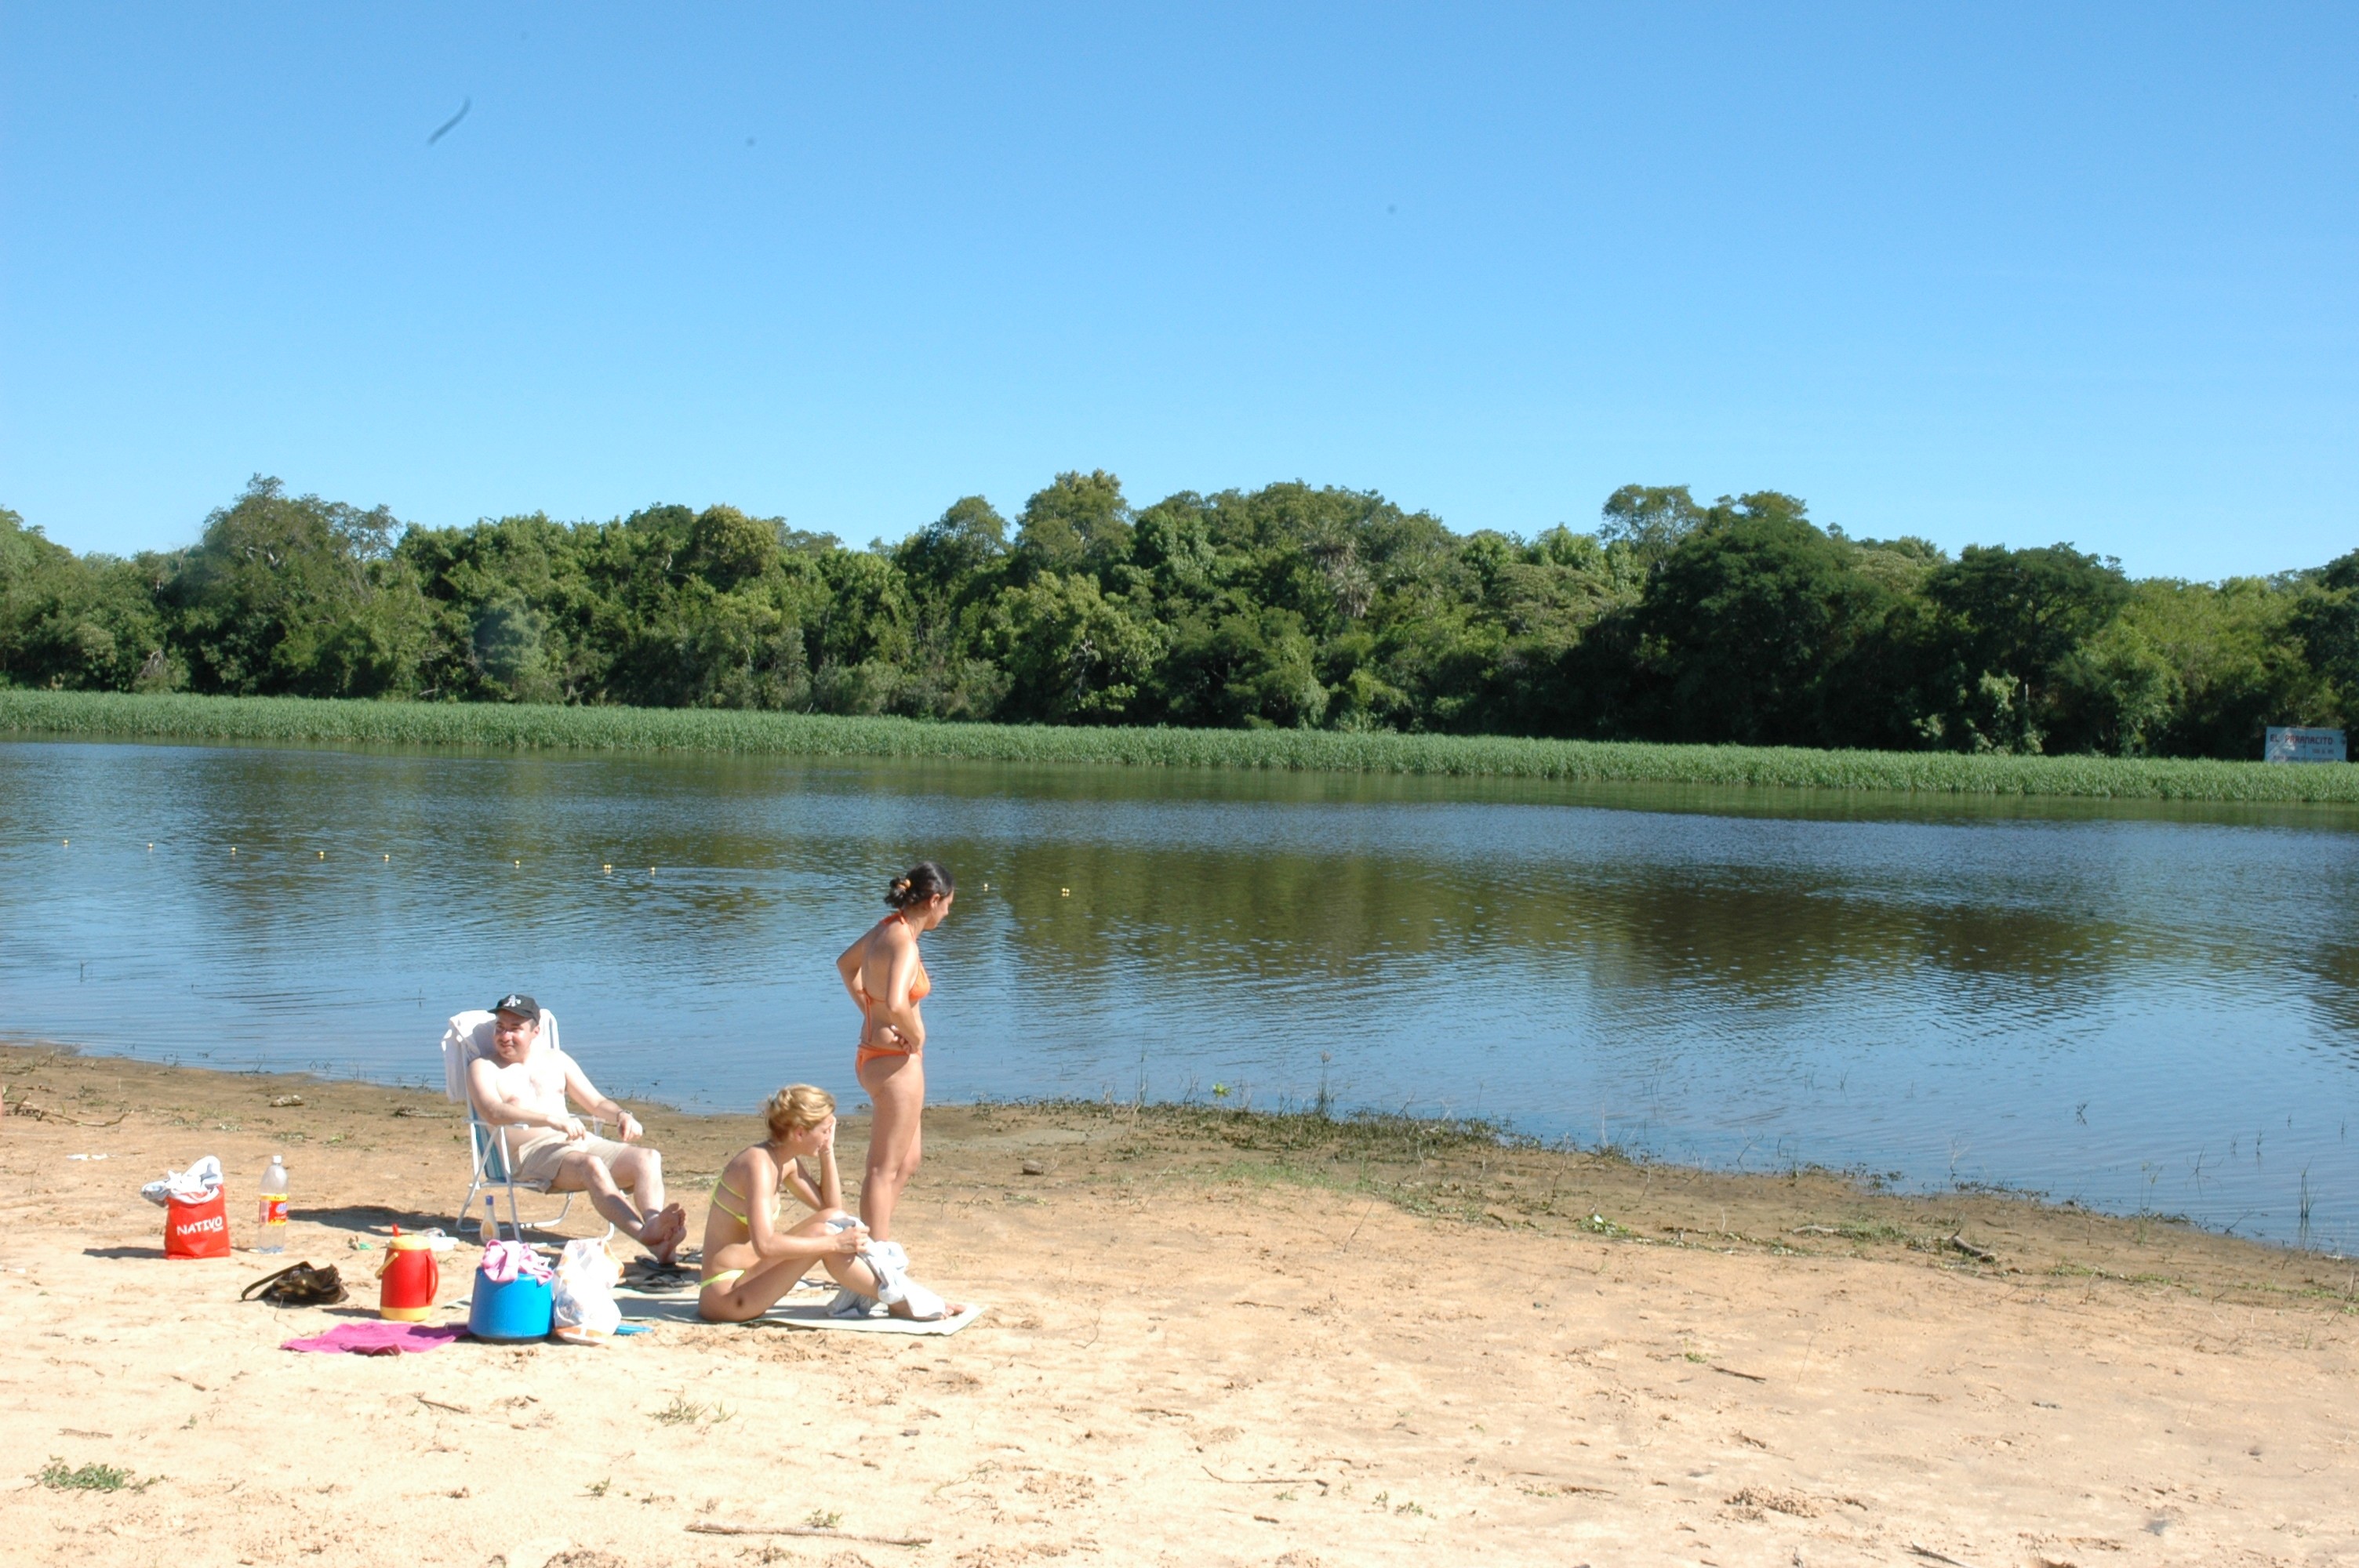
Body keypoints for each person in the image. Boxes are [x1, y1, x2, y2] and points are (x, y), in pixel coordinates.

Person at [697, 1083, 961, 1323]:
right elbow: (765, 1245)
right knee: (827, 1235)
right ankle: (900, 1299)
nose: (828, 1135)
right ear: (800, 1133)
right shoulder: (758, 1165)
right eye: (824, 1131)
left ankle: (899, 1292)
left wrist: (827, 1150)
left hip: (750, 1279)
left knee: (830, 1221)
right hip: (728, 1296)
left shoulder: (784, 1160)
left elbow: (832, 1210)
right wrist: (833, 1243)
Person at [464, 993, 686, 1264]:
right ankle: (645, 1236)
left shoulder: (556, 1060)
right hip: (533, 1154)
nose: (504, 1036)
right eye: (500, 1027)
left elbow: (595, 1102)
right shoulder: (484, 1067)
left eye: (515, 1029)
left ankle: (655, 1227)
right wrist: (550, 1119)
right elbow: (492, 1111)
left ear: (535, 1031)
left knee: (648, 1158)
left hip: (579, 1142)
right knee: (590, 1166)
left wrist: (622, 1115)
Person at [836, 861, 954, 1247]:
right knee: (883, 1169)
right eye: (948, 905)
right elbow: (901, 1003)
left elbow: (846, 965)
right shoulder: (903, 942)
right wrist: (915, 1035)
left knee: (907, 1160)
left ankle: (873, 1239)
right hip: (894, 1065)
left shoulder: (888, 928)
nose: (948, 913)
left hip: (874, 1054)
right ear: (933, 900)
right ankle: (876, 1258)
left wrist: (871, 1012)